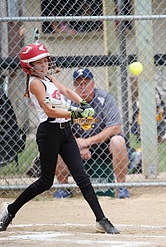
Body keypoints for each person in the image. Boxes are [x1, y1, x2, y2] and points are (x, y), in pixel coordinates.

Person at [0, 43, 119, 234]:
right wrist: (75, 114)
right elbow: (49, 111)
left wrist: (82, 103)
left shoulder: (48, 77)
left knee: (81, 176)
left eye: (45, 61)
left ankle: (101, 219)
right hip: (49, 133)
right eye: (39, 63)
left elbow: (66, 91)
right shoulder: (34, 83)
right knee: (46, 182)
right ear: (29, 66)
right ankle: (10, 210)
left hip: (65, 132)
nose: (44, 65)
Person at [53, 68, 130, 199]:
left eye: (86, 83)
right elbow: (62, 127)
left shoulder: (104, 98)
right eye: (78, 84)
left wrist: (87, 142)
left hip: (103, 146)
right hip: (77, 145)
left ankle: (121, 187)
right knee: (58, 142)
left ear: (93, 84)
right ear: (74, 86)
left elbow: (116, 127)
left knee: (118, 141)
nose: (83, 87)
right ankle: (64, 188)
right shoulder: (68, 101)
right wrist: (79, 145)